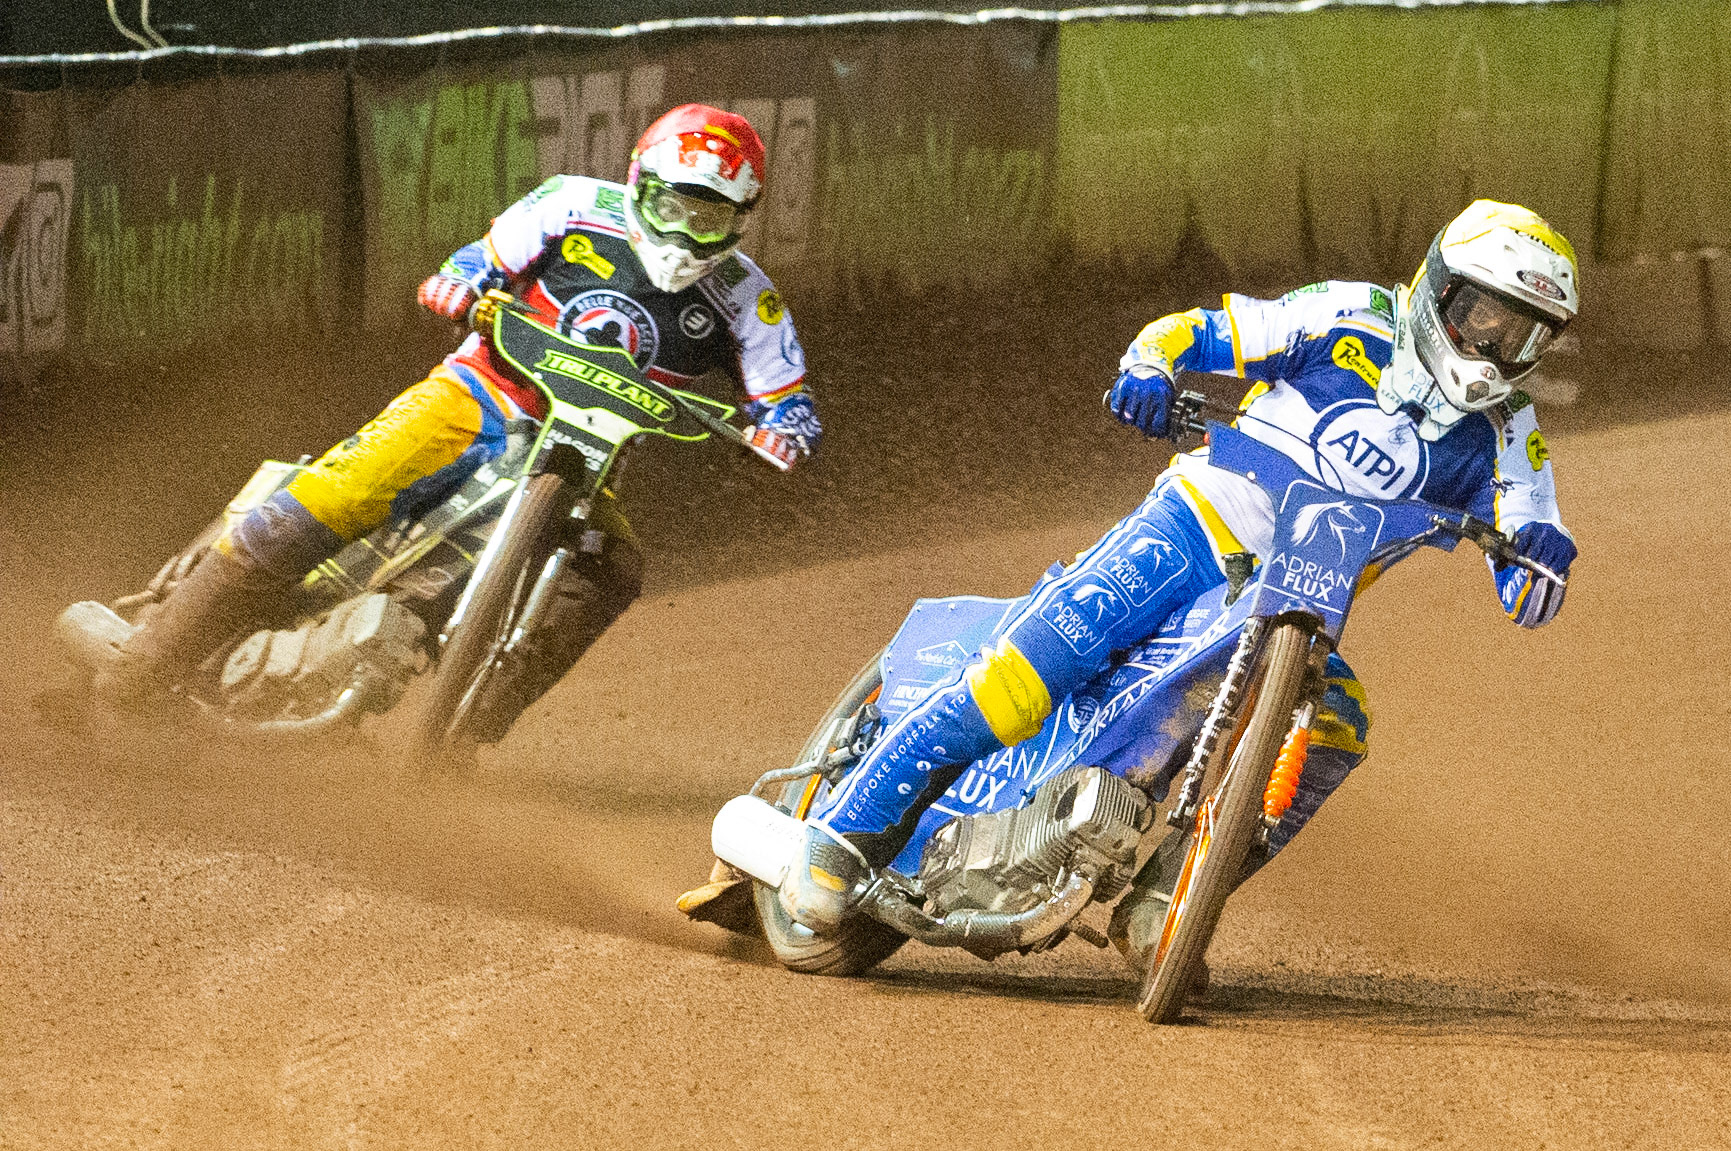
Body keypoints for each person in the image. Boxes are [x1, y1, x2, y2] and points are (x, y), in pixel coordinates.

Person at [777, 200, 1580, 954]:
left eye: (1523, 335)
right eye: (1483, 317)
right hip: (1196, 525)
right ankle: (846, 827)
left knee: (1340, 720)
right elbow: (1199, 330)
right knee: (1033, 670)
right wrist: (1151, 366)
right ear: (1438, 288)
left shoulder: (1509, 428)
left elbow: (1533, 519)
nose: (1494, 348)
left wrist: (1535, 564)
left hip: (1302, 601)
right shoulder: (1348, 313)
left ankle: (1169, 897)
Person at [92, 104, 819, 741]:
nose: (687, 231)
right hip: (477, 399)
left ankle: (466, 730)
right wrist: (460, 283)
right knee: (339, 491)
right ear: (640, 187)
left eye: (710, 216)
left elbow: (788, 396)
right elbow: (478, 260)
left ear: (741, 216)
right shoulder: (570, 205)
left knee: (612, 571)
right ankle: (144, 667)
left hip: (588, 462)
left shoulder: (747, 298)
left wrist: (784, 429)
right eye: (674, 206)